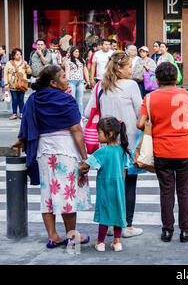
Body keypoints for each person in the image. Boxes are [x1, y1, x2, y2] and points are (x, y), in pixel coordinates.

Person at [11, 65, 91, 248]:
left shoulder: (34, 99)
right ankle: (71, 236)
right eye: (63, 77)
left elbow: (27, 123)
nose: (67, 79)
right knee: (67, 194)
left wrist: (22, 140)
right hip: (65, 151)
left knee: (48, 193)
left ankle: (53, 236)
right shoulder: (66, 99)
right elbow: (76, 129)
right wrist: (85, 156)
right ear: (53, 83)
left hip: (44, 151)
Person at [136, 62, 188, 243]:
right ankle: (186, 230)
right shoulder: (184, 94)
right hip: (184, 149)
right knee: (184, 191)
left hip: (162, 150)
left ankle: (167, 230)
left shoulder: (149, 98)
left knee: (166, 191)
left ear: (157, 79)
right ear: (176, 78)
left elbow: (140, 124)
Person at [84, 51, 143, 238]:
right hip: (128, 144)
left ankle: (110, 225)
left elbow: (87, 113)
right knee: (128, 184)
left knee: (110, 184)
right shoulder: (131, 86)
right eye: (129, 66)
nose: (132, 69)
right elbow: (141, 113)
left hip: (106, 147)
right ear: (119, 68)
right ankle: (126, 226)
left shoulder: (101, 86)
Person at [79, 117, 129, 252]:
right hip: (119, 187)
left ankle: (100, 242)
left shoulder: (101, 152)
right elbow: (124, 171)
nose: (97, 135)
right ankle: (117, 241)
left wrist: (82, 166)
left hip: (105, 188)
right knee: (119, 212)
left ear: (110, 134)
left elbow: (87, 165)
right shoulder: (122, 151)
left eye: (99, 132)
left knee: (105, 215)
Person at [3, 48, 32, 120]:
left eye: (20, 54)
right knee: (15, 99)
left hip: (22, 85)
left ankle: (22, 113)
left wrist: (26, 65)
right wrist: (6, 84)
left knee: (21, 99)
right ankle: (14, 113)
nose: (19, 56)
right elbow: (5, 74)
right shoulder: (9, 63)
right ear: (13, 55)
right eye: (17, 54)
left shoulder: (23, 63)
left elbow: (29, 72)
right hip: (13, 85)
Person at [65, 47, 90, 115]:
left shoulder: (82, 60)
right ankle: (73, 115)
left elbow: (85, 70)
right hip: (71, 81)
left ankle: (81, 115)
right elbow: (67, 72)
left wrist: (88, 80)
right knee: (72, 100)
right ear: (72, 53)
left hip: (80, 82)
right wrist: (67, 82)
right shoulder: (69, 61)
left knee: (80, 100)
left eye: (78, 52)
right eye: (75, 52)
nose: (77, 53)